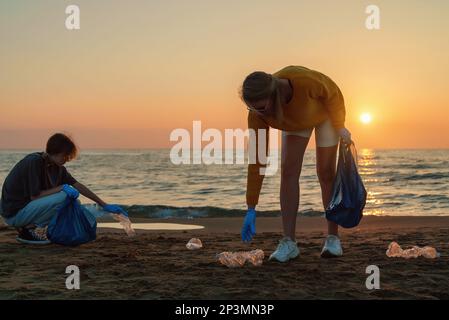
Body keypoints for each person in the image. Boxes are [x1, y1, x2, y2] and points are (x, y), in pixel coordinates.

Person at [240, 65, 353, 262]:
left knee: (326, 172)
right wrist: (251, 207)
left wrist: (340, 124)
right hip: (295, 120)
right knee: (289, 171)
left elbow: (333, 93)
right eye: (251, 108)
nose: (257, 113)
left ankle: (333, 238)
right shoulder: (257, 114)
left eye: (260, 107)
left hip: (325, 113)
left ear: (274, 96)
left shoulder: (304, 81)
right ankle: (289, 243)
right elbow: (257, 160)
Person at [0, 133, 128, 244]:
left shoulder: (58, 168)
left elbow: (77, 185)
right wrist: (62, 187)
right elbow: (35, 195)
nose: (67, 159)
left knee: (72, 201)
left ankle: (28, 228)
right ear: (55, 151)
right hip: (13, 214)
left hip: (26, 211)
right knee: (64, 196)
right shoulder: (34, 162)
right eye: (65, 155)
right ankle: (27, 229)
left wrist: (104, 204)